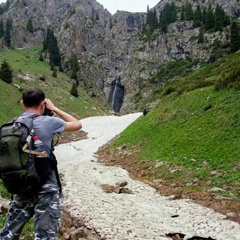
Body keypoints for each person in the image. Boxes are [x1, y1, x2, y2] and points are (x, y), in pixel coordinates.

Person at [0, 87, 82, 240]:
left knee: (8, 233)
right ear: (43, 104)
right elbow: (77, 124)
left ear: (22, 103)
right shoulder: (50, 121)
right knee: (45, 236)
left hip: (20, 185)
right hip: (46, 188)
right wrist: (54, 108)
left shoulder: (12, 125)